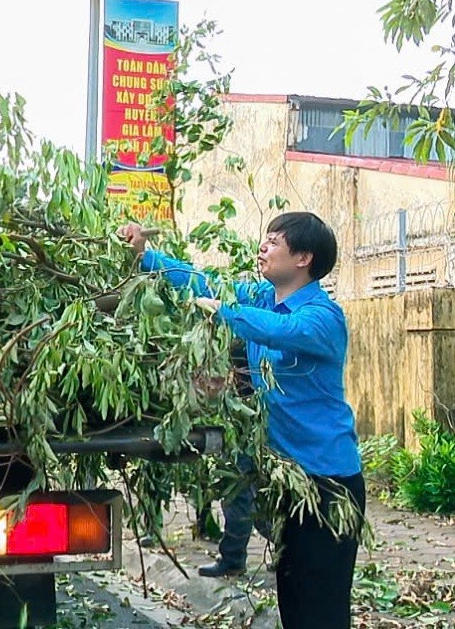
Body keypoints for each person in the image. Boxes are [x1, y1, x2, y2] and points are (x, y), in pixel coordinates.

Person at [117, 212, 365, 629]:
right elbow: (204, 281)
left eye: (274, 241)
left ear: (303, 257)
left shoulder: (324, 317)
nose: (263, 247)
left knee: (323, 607)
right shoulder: (263, 298)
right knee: (293, 598)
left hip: (328, 484)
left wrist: (225, 313)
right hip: (289, 481)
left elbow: (281, 332)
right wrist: (146, 255)